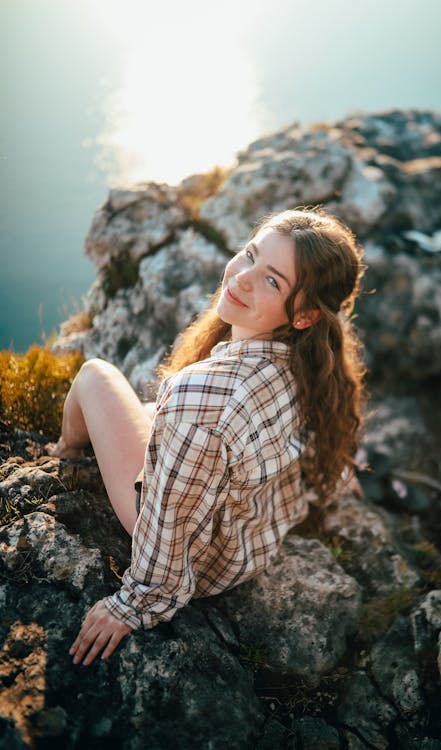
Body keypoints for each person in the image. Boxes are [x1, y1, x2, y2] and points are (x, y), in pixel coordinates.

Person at [47, 207, 366, 666]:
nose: (241, 278)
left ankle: (62, 452)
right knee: (149, 413)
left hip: (199, 555)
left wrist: (135, 602)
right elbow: (295, 440)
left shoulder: (200, 398)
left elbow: (169, 524)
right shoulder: (308, 362)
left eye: (272, 281)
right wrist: (334, 474)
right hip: (246, 539)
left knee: (96, 376)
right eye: (250, 255)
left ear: (304, 315)